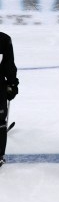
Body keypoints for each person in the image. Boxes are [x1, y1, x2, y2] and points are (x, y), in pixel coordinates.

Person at [0, 31, 19, 168]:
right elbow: (8, 64)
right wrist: (12, 84)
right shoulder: (3, 38)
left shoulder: (4, 39)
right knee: (0, 121)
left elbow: (8, 63)